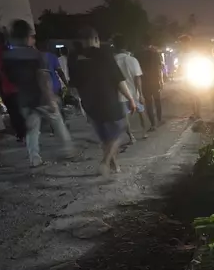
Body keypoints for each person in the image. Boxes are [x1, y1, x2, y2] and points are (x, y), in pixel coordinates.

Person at [2, 20, 73, 167]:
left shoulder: (8, 57)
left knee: (33, 131)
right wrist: (50, 98)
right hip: (41, 98)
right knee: (58, 123)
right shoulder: (36, 55)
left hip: (24, 99)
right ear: (27, 36)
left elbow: (10, 78)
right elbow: (43, 77)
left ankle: (34, 158)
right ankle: (68, 150)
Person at [68, 27, 136, 176]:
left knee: (105, 137)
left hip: (89, 104)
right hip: (108, 101)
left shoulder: (73, 57)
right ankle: (105, 162)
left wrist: (82, 103)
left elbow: (73, 86)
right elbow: (118, 79)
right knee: (118, 132)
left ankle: (114, 166)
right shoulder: (104, 54)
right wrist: (131, 98)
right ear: (96, 39)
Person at [0, 31, 26, 141]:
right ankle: (28, 132)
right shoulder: (12, 52)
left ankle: (21, 134)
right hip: (20, 86)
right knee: (22, 110)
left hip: (5, 88)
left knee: (13, 112)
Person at [113, 34, 147, 143]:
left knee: (125, 117)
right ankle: (144, 132)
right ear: (126, 46)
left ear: (114, 46)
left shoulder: (112, 61)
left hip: (120, 94)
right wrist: (141, 94)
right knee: (141, 112)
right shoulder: (132, 60)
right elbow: (138, 78)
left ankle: (131, 136)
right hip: (134, 93)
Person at [136, 38, 163, 129]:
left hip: (145, 82)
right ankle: (159, 119)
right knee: (157, 100)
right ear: (150, 44)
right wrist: (161, 80)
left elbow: (138, 71)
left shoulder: (138, 55)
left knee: (149, 103)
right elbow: (159, 68)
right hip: (155, 81)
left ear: (142, 45)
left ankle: (153, 124)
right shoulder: (155, 54)